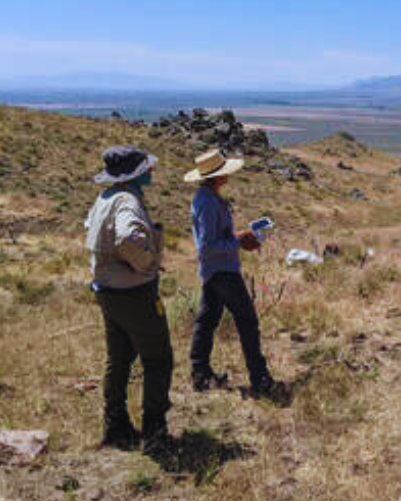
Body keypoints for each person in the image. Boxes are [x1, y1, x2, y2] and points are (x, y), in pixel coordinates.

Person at [85, 145, 172, 453]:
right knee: (158, 359)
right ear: (137, 174)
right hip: (134, 293)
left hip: (107, 292)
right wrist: (146, 263)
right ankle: (155, 431)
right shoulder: (127, 200)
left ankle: (116, 426)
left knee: (119, 359)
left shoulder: (105, 198)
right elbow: (126, 239)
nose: (151, 171)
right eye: (146, 168)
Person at [184, 149, 281, 399]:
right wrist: (238, 242)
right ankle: (260, 380)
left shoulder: (207, 198)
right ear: (218, 176)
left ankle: (200, 374)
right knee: (247, 321)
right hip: (223, 272)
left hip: (214, 271)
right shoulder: (207, 202)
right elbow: (207, 246)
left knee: (206, 321)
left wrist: (237, 237)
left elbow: (213, 240)